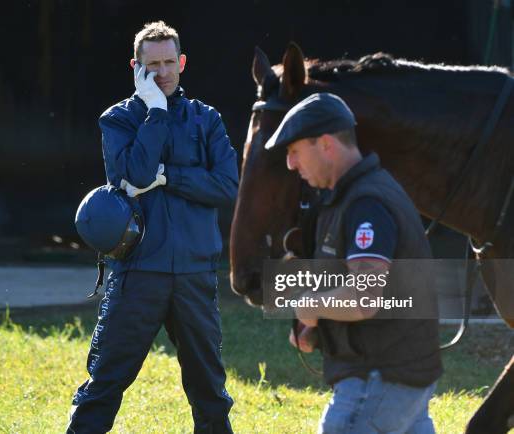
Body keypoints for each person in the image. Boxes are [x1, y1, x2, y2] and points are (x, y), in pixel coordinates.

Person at [67, 21, 238, 434]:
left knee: (210, 389)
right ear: (136, 68)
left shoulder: (207, 119)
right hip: (139, 273)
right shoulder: (118, 120)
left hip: (195, 274)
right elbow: (137, 171)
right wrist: (156, 112)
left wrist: (168, 177)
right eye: (152, 65)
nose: (162, 72)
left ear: (181, 63)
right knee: (104, 381)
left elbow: (227, 186)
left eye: (168, 62)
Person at [264, 93, 443, 434]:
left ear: (326, 144)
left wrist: (310, 306)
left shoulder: (367, 203)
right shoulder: (348, 198)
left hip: (378, 380)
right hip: (399, 376)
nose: (290, 164)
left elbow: (364, 297)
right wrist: (316, 324)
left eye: (294, 151)